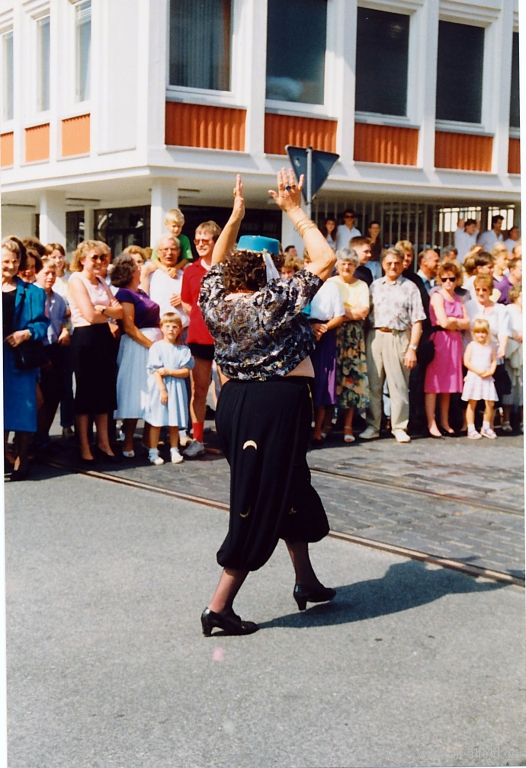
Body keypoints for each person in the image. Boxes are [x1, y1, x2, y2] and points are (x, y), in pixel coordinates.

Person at [198, 171, 336, 636]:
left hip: (238, 403)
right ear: (267, 271)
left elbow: (216, 263)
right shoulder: (271, 301)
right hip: (272, 405)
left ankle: (306, 581)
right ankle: (219, 605)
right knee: (257, 501)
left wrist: (235, 216)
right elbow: (326, 258)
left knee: (291, 488)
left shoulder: (213, 298)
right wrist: (295, 211)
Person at [359, 247, 426, 443]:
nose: (393, 267)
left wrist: (412, 348)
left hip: (399, 337)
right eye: (389, 263)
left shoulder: (410, 287)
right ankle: (373, 425)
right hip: (375, 335)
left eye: (396, 263)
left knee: (398, 385)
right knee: (374, 384)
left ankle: (399, 426)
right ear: (383, 264)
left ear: (402, 264)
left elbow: (418, 321)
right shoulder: (375, 286)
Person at [68, 240, 123, 463]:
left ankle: (103, 442)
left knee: (104, 392)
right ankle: (84, 445)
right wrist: (108, 313)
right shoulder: (76, 280)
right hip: (85, 339)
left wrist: (105, 311)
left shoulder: (102, 281)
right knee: (86, 393)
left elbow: (119, 312)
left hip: (103, 338)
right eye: (94, 257)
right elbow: (89, 316)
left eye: (103, 257)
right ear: (82, 260)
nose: (99, 262)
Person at [2, 237, 49, 480]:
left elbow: (42, 324)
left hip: (18, 361)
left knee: (22, 410)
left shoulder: (32, 292)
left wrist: (26, 333)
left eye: (14, 261)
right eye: (4, 261)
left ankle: (22, 460)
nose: (8, 265)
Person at [111, 254, 162, 458]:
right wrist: (152, 346)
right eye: (137, 265)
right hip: (137, 346)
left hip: (152, 342)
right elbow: (130, 327)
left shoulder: (140, 292)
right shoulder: (125, 294)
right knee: (135, 392)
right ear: (131, 271)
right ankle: (128, 440)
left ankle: (149, 441)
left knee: (153, 393)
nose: (141, 268)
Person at [180, 220, 222, 458]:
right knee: (200, 389)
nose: (200, 244)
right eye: (197, 241)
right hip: (199, 337)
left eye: (206, 240)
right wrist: (200, 315)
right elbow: (186, 301)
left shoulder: (225, 267)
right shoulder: (190, 270)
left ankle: (228, 434)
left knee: (226, 389)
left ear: (216, 241)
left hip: (225, 339)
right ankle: (197, 439)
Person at [424, 261, 470, 437]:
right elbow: (443, 321)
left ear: (457, 279)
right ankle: (431, 422)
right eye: (444, 279)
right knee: (434, 383)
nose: (448, 282)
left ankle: (444, 420)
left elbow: (467, 323)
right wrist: (455, 322)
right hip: (440, 340)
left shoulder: (459, 299)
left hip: (455, 342)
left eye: (452, 278)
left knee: (448, 384)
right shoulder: (437, 296)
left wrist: (454, 322)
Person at [303, 251, 345, 445]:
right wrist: (309, 328)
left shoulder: (332, 286)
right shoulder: (300, 284)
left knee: (321, 382)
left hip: (324, 335)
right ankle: (301, 427)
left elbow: (339, 315)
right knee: (302, 383)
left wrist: (324, 328)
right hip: (302, 331)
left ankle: (317, 429)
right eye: (308, 261)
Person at [328, 249, 370, 443]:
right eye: (343, 263)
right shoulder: (330, 283)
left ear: (356, 266)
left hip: (353, 337)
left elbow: (363, 312)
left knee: (351, 379)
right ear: (337, 265)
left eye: (350, 264)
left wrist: (341, 311)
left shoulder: (362, 285)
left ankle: (347, 426)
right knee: (331, 378)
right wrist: (349, 311)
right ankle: (326, 424)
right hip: (332, 333)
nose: (346, 267)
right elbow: (328, 309)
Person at [145, 313, 194, 465]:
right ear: (161, 328)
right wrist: (162, 389)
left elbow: (185, 371)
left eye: (174, 327)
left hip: (177, 387)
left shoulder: (183, 350)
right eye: (167, 326)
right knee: (157, 419)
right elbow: (155, 370)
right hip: (161, 388)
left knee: (174, 420)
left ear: (180, 329)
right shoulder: (157, 347)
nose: (171, 330)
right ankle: (152, 451)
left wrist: (169, 371)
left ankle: (174, 449)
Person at [34, 258, 70, 450]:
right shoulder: (32, 295)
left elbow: (61, 320)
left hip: (54, 348)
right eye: (46, 273)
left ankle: (43, 436)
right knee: (39, 398)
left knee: (55, 394)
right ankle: (30, 437)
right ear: (37, 273)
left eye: (53, 273)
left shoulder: (58, 300)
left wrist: (64, 330)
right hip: (37, 349)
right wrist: (40, 357)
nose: (50, 277)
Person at [465, 274, 510, 423]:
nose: (480, 293)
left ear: (491, 290)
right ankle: (468, 425)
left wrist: (502, 348)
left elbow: (503, 331)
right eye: (477, 289)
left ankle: (488, 425)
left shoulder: (500, 309)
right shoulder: (469, 306)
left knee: (491, 395)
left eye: (484, 289)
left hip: (491, 356)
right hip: (472, 357)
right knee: (471, 394)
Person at [462, 318, 498, 439]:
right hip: (474, 377)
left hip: (487, 377)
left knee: (490, 403)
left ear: (487, 333)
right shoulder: (471, 346)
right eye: (478, 332)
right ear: (473, 333)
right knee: (472, 403)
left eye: (483, 332)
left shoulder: (490, 346)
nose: (481, 335)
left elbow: (494, 360)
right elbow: (466, 361)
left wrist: (491, 371)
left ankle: (486, 427)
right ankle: (471, 428)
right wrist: (477, 371)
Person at [502, 282, 522, 432]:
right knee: (510, 388)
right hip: (513, 350)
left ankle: (522, 421)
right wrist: (515, 335)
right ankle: (506, 420)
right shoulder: (508, 310)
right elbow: (506, 328)